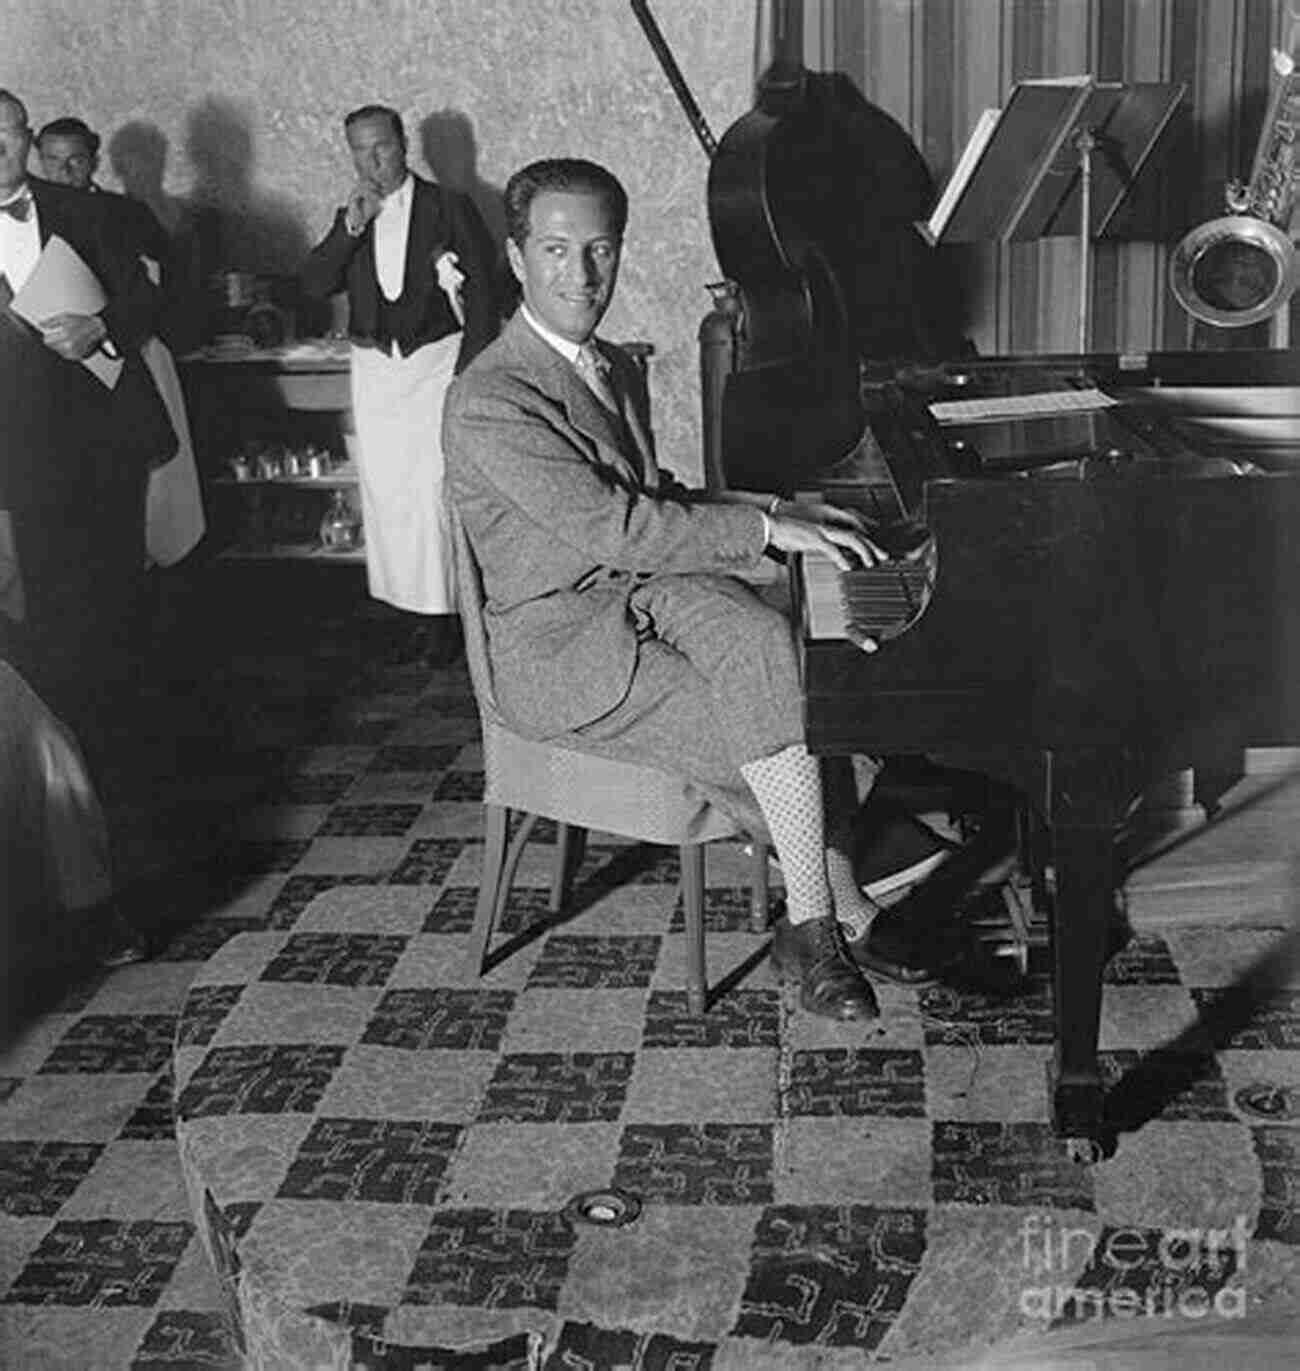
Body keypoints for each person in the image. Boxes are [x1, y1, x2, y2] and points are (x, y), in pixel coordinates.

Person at [444, 158, 935, 1021]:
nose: (582, 274)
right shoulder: (488, 398)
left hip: (638, 598)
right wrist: (763, 530)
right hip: (564, 650)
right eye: (556, 250)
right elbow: (615, 526)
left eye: (601, 248)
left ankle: (827, 908)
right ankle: (831, 915)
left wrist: (779, 514)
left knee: (766, 646)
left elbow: (655, 502)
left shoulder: (610, 366)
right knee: (774, 727)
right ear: (516, 258)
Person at [0, 88, 175, 737]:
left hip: (102, 440)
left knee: (116, 593)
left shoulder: (85, 211)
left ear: (29, 136)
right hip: (14, 451)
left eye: (10, 132)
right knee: (38, 604)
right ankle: (64, 749)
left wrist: (99, 324)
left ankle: (129, 738)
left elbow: (146, 301)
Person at [300, 104, 501, 667]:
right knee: (387, 497)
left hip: (435, 366)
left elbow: (485, 293)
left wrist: (470, 371)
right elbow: (316, 283)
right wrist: (350, 229)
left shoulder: (447, 206)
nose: (373, 160)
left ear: (403, 144)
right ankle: (404, 611)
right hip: (377, 373)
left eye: (382, 147)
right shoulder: (353, 213)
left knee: (434, 494)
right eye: (360, 150)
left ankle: (448, 616)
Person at [36, 114, 206, 572]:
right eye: (52, 162)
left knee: (153, 483)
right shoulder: (31, 219)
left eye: (75, 161)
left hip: (134, 351)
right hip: (59, 371)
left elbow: (162, 289)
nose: (64, 173)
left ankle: (155, 570)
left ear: (93, 160)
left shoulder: (128, 213)